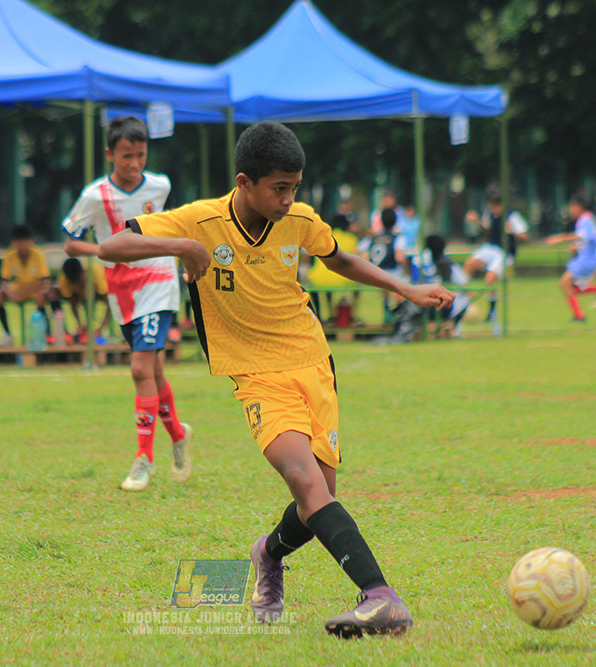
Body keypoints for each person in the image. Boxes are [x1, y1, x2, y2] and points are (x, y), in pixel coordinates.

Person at [97, 121, 453, 637]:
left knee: (319, 499)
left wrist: (406, 289)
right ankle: (380, 597)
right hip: (256, 375)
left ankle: (267, 553)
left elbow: (341, 258)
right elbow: (109, 247)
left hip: (312, 360)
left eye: (295, 188)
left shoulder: (300, 219)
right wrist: (183, 248)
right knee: (306, 484)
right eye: (279, 188)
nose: (289, 200)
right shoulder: (200, 219)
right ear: (244, 183)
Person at [61, 116, 192, 493]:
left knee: (139, 368)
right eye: (125, 157)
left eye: (140, 155)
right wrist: (104, 251)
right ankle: (179, 434)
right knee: (155, 370)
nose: (134, 164)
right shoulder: (94, 195)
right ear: (109, 154)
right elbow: (70, 241)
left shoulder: (160, 186)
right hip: (121, 291)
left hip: (159, 281)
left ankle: (144, 460)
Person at [463, 193, 529, 321]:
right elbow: (487, 229)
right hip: (490, 248)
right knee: (469, 264)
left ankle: (492, 312)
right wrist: (477, 220)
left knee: (490, 279)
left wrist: (512, 231)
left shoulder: (512, 216)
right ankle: (466, 301)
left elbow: (525, 237)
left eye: (495, 207)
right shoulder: (490, 214)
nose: (493, 209)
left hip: (504, 252)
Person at [0, 224, 51, 347]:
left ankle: (45, 334)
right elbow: (4, 281)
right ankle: (7, 334)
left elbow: (43, 282)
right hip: (17, 291)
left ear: (32, 241)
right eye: (19, 242)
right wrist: (9, 293)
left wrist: (20, 293)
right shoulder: (10, 255)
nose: (23, 246)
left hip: (33, 291)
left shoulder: (38, 254)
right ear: (13, 242)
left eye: (25, 242)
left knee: (41, 294)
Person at [546, 194, 596, 322]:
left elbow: (580, 237)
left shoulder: (585, 219)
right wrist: (576, 247)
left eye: (572, 207)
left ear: (578, 207)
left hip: (586, 259)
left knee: (565, 283)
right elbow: (589, 239)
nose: (571, 211)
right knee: (569, 286)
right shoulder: (587, 219)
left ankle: (580, 314)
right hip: (585, 258)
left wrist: (559, 238)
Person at [50, 256, 110, 344]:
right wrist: (80, 325)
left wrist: (101, 328)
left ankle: (96, 330)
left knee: (91, 292)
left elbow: (110, 300)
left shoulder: (95, 272)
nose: (77, 284)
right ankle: (74, 330)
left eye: (79, 282)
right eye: (75, 283)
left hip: (97, 291)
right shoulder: (64, 279)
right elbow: (71, 301)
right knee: (52, 294)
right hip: (79, 295)